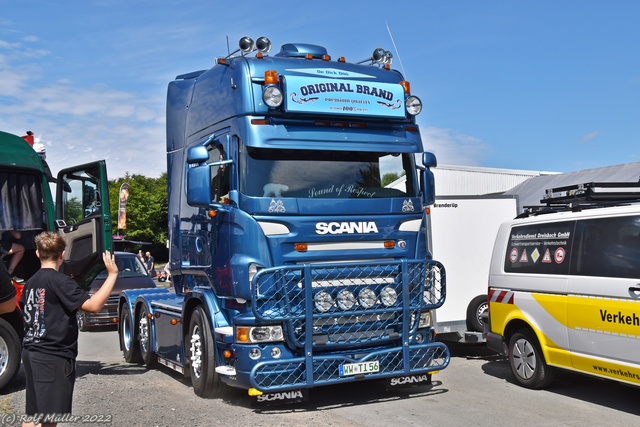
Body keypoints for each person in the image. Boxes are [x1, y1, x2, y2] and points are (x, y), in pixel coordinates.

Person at [19, 232, 118, 427]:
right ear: (62, 254)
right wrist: (112, 275)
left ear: (37, 253)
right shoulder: (60, 282)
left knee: (33, 414)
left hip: (31, 351)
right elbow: (93, 305)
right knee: (50, 419)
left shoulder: (30, 283)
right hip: (52, 356)